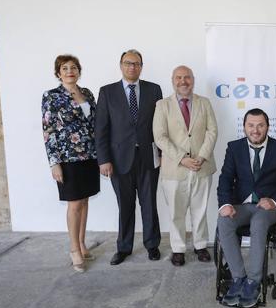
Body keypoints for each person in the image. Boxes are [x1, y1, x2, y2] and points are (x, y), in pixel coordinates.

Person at [217, 109, 276, 308]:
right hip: (243, 206)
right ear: (244, 127)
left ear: (267, 127)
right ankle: (238, 279)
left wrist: (274, 201)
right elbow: (225, 178)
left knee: (259, 221)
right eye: (251, 125)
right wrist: (226, 204)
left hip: (268, 208)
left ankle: (253, 282)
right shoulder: (234, 148)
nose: (255, 130)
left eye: (260, 125)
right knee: (224, 220)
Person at [95, 49, 163, 265]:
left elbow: (160, 125)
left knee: (149, 202)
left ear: (141, 66)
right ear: (121, 65)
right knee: (125, 205)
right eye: (128, 63)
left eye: (136, 63)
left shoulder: (154, 90)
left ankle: (152, 245)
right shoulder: (107, 92)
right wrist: (103, 159)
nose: (132, 67)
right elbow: (101, 128)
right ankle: (124, 247)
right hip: (118, 159)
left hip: (148, 156)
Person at [152, 65, 218, 266]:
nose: (183, 81)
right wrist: (182, 158)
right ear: (173, 80)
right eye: (179, 77)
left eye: (187, 77)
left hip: (201, 166)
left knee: (200, 210)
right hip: (175, 169)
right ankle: (178, 249)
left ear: (193, 79)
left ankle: (200, 246)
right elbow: (160, 137)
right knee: (176, 212)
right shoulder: (162, 105)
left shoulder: (204, 103)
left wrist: (202, 156)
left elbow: (212, 131)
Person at [41, 54, 100, 272]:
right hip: (67, 158)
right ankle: (74, 248)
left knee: (84, 201)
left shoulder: (87, 94)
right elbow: (48, 131)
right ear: (58, 73)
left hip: (90, 156)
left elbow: (95, 124)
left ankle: (82, 243)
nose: (69, 71)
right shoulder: (51, 96)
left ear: (79, 71)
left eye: (73, 67)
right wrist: (54, 162)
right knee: (74, 203)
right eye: (64, 68)